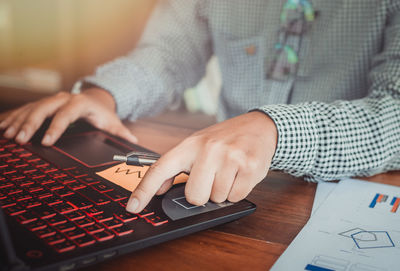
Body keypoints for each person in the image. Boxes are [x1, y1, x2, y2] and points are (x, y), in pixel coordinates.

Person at [1, 0, 400, 214]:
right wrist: (103, 95)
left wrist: (273, 130)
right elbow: (169, 53)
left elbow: (395, 114)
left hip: (356, 197)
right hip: (217, 187)